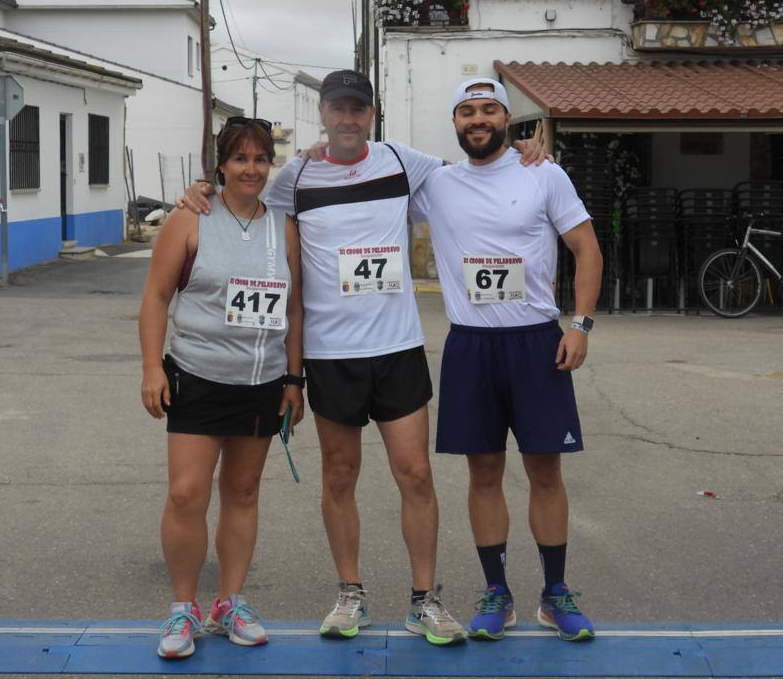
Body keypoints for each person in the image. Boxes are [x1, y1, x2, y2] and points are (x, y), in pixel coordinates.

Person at [180, 70, 546, 645]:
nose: (347, 119)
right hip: (330, 356)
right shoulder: (295, 177)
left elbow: (478, 167)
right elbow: (240, 199)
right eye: (337, 109)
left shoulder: (403, 162)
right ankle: (350, 593)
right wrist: (198, 190)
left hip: (397, 349)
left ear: (370, 115)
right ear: (322, 115)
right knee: (340, 475)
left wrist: (522, 148)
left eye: (358, 109)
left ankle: (425, 598)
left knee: (416, 474)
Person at [408, 78, 603, 643]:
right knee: (484, 472)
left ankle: (554, 594)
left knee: (546, 471)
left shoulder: (543, 172)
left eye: (488, 109)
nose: (478, 119)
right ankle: (497, 591)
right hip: (471, 345)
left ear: (506, 118)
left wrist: (581, 325)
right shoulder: (436, 184)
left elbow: (586, 247)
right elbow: (361, 175)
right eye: (466, 111)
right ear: (454, 122)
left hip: (537, 343)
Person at [138, 116, 305, 660]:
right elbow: (156, 299)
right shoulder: (191, 218)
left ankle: (230, 602)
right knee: (187, 492)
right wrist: (152, 369)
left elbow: (295, 308)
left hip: (260, 381)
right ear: (221, 165)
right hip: (196, 375)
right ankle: (183, 609)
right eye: (240, 158)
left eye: (260, 159)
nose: (251, 168)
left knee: (243, 492)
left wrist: (293, 378)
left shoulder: (283, 227)